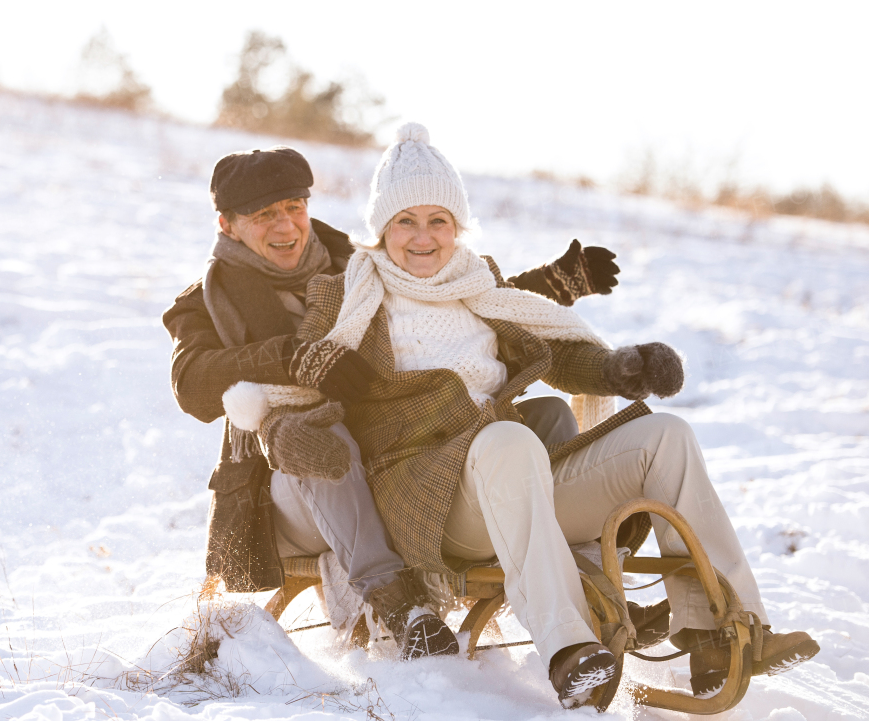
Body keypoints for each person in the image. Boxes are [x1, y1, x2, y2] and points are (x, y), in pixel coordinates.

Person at [223, 123, 820, 707]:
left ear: (458, 228)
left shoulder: (480, 285)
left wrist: (621, 369)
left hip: (515, 479)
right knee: (509, 437)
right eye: (405, 221)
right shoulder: (345, 298)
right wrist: (293, 422)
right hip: (428, 503)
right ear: (381, 230)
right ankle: (570, 651)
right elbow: (304, 387)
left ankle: (722, 631)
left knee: (665, 435)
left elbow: (553, 354)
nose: (423, 237)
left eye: (438, 220)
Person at [162, 144, 623, 660]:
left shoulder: (354, 265)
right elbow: (193, 382)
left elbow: (443, 296)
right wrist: (296, 359)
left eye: (293, 207)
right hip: (287, 485)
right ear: (227, 225)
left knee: (545, 418)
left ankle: (581, 584)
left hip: (393, 457)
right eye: (263, 215)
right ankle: (397, 605)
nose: (285, 226)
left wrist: (548, 286)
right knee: (323, 441)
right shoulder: (204, 303)